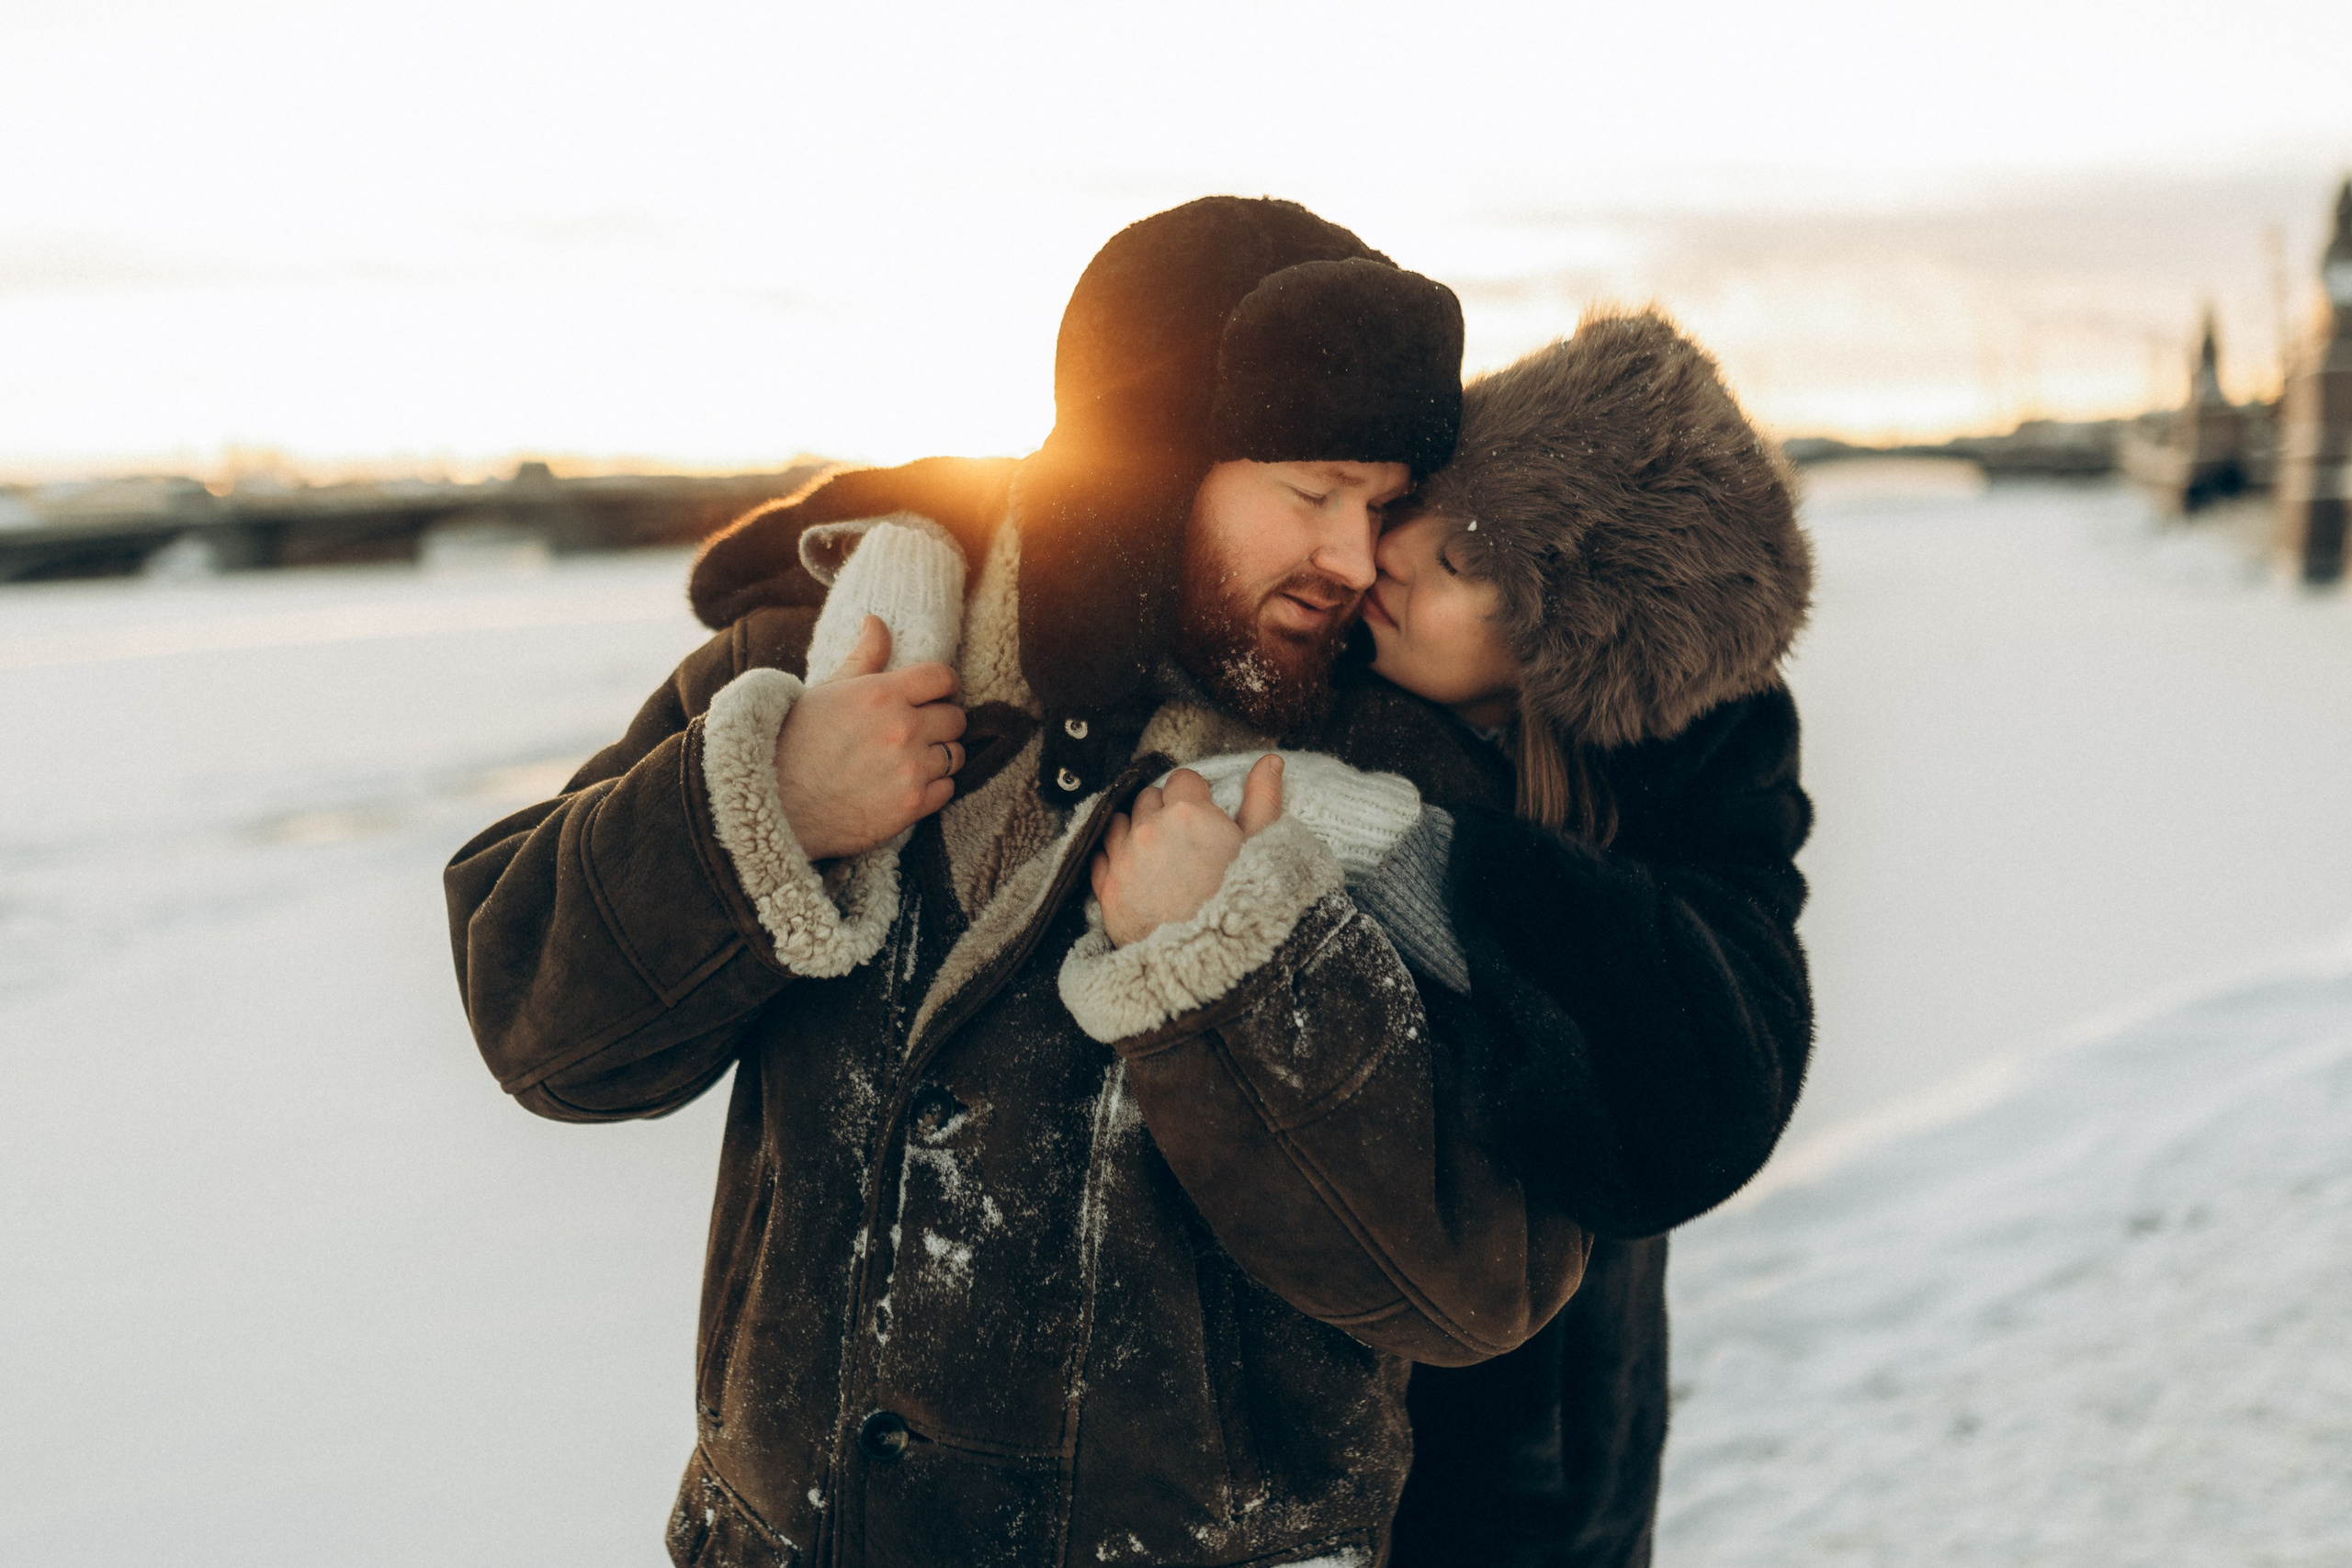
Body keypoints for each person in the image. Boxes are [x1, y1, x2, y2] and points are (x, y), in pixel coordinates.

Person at [447, 196, 1601, 1568]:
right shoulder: (820, 664)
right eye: (1310, 495)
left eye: (1386, 508)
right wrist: (772, 804)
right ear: (1156, 470)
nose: (1356, 562)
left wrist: (1240, 977)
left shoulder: (1387, 790)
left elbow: (1485, 1284)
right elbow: (539, 1025)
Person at [783, 310, 1817, 1565]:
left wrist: (1395, 848)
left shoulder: (1685, 759)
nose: (1397, 554)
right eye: (1436, 503)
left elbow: (1708, 1096)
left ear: (1576, 639)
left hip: (1515, 1464)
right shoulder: (1337, 645)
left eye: (1480, 556)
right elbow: (1096, 493)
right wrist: (915, 541)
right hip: (1275, 1450)